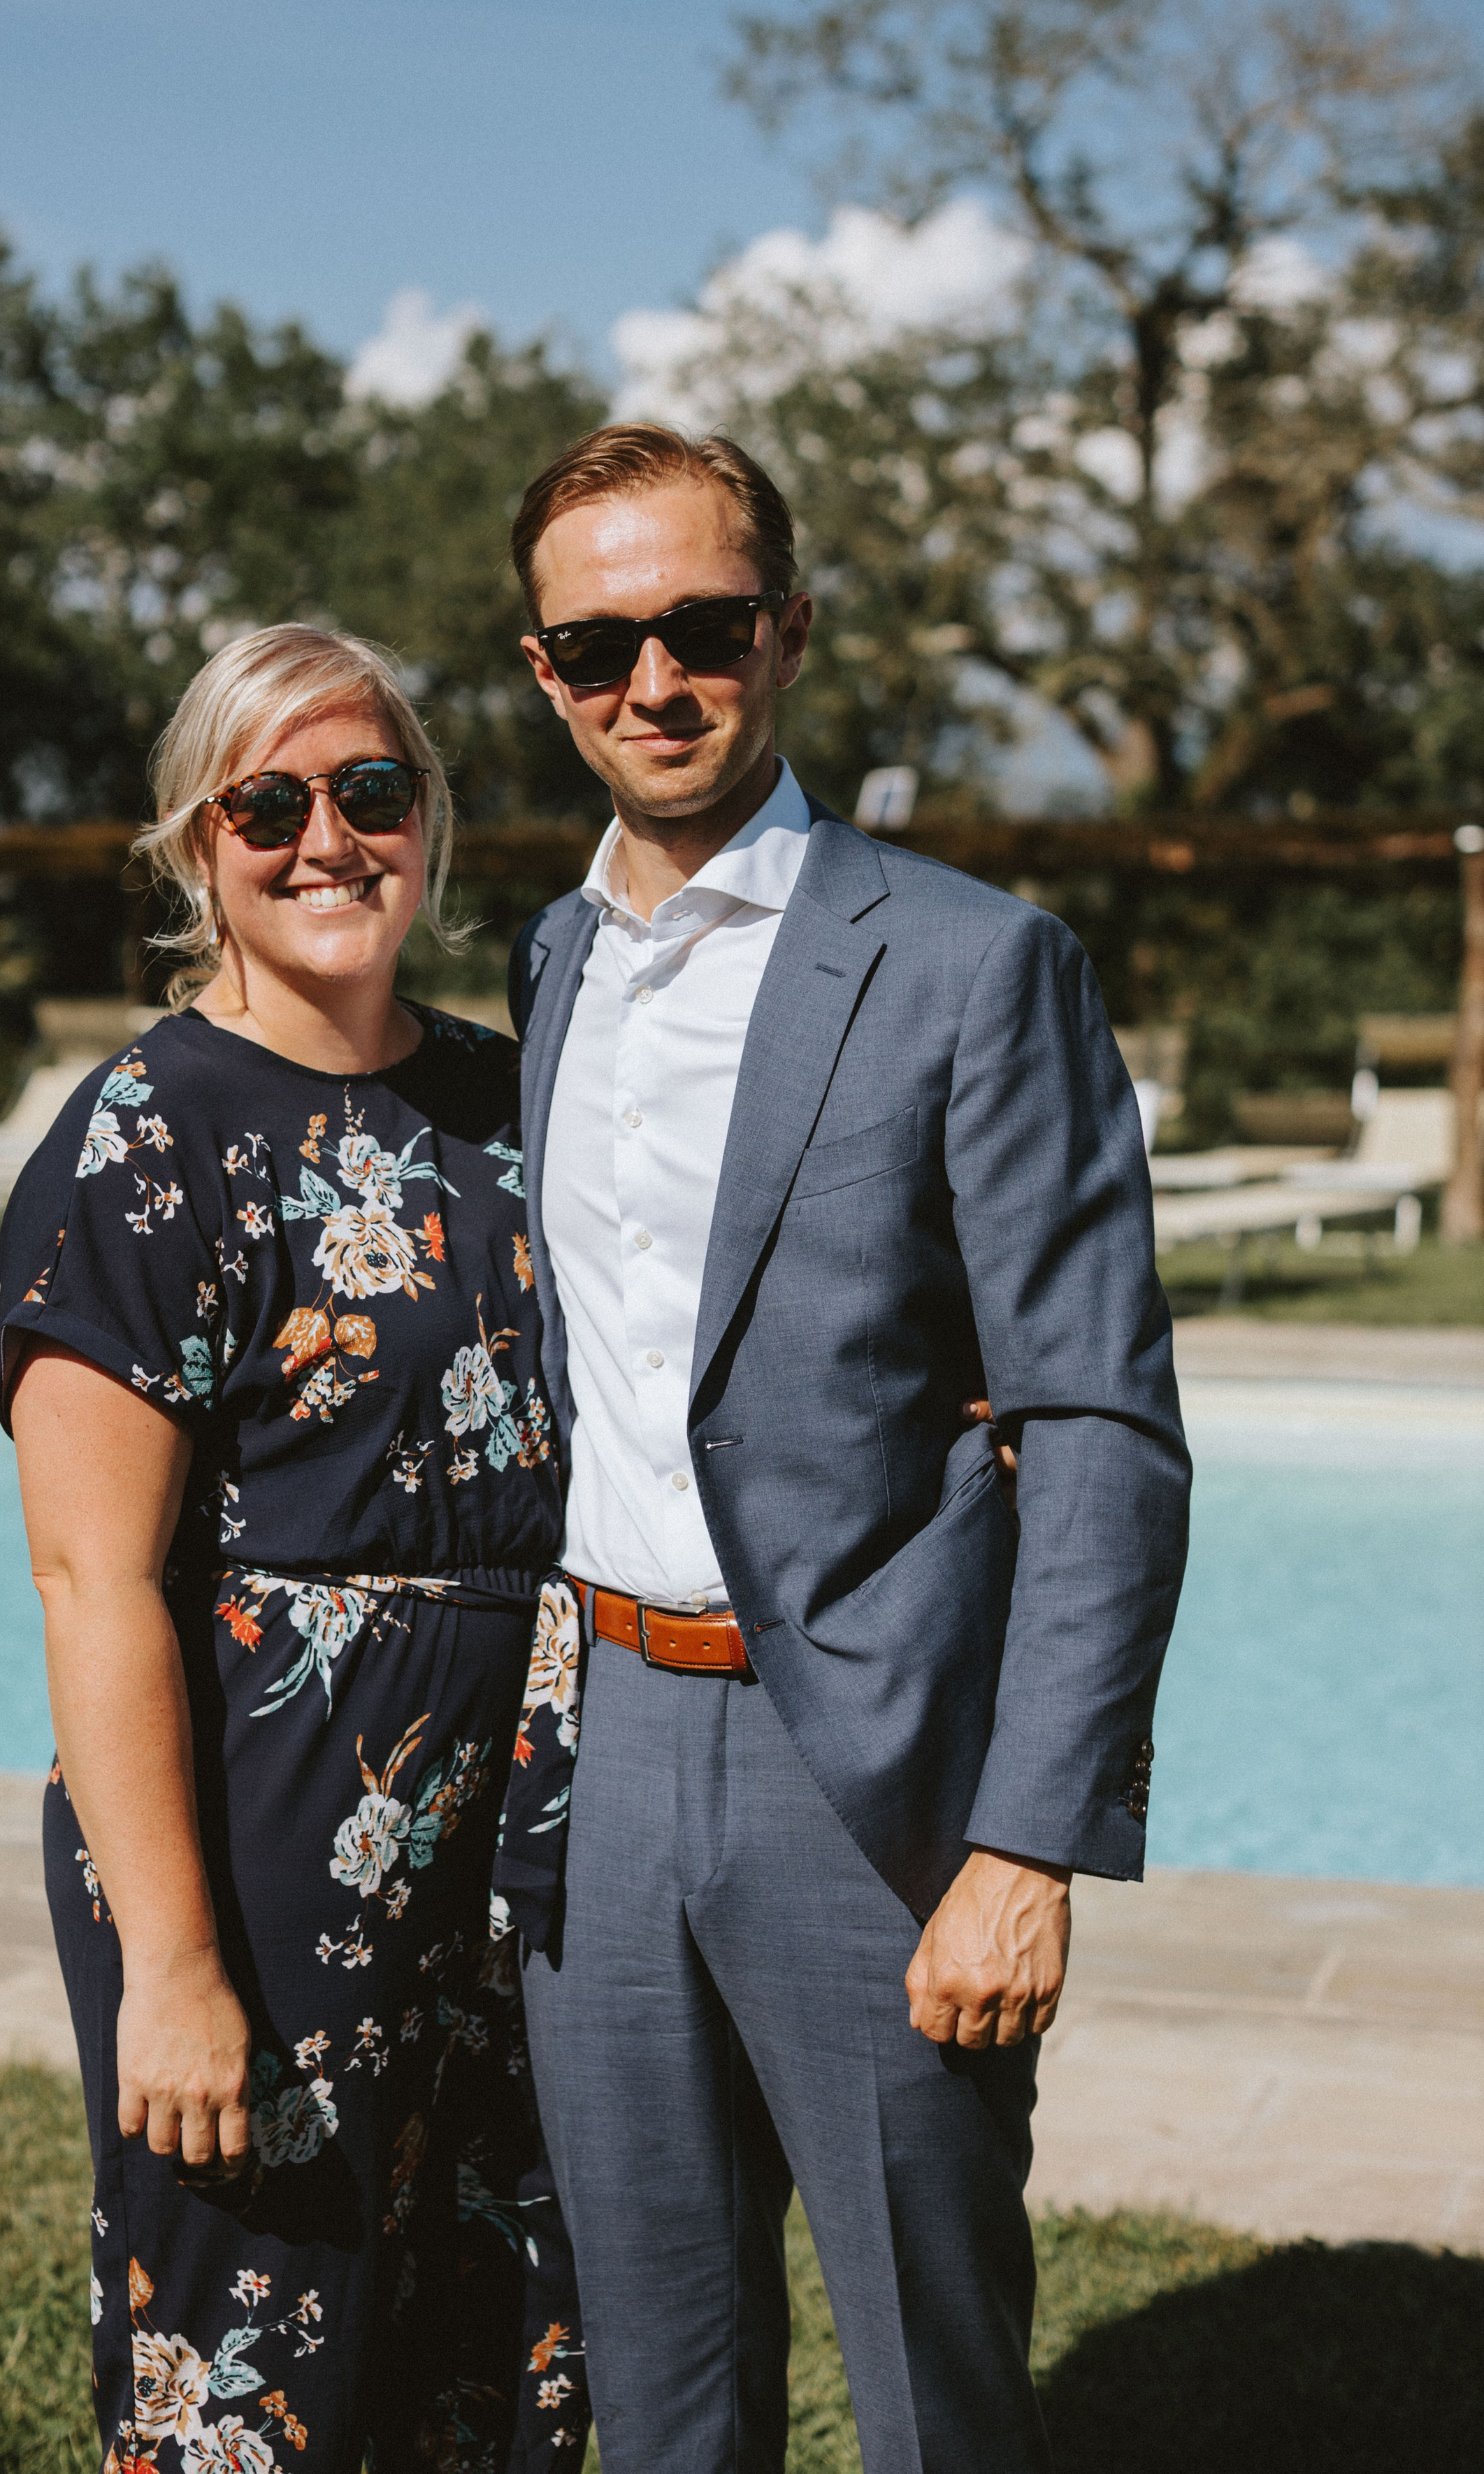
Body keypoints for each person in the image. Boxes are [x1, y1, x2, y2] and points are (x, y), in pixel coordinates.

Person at [502, 425, 1191, 2474]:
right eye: (598, 642)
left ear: (787, 634)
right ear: (543, 675)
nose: (655, 680)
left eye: (702, 626)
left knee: (935, 2393)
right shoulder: (548, 966)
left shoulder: (977, 964)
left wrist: (1024, 1843)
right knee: (658, 2392)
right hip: (601, 1764)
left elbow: (1098, 1426)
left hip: (874, 1789)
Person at [0, 625, 588, 2474]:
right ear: (200, 845)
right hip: (264, 1839)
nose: (327, 837)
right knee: (265, 2363)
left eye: (373, 791)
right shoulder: (146, 1143)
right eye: (271, 801)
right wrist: (175, 1967)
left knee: (508, 2346)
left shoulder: (524, 1101)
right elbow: (95, 1581)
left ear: (434, 822)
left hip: (531, 1841)